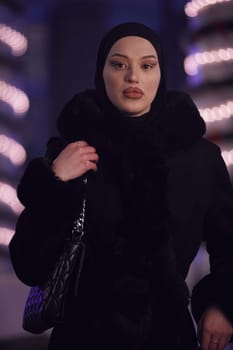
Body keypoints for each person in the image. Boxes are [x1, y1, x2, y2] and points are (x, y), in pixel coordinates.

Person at [9, 22, 233, 350]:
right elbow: (28, 263)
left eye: (146, 65)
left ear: (161, 74)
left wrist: (221, 304)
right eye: (119, 64)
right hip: (82, 337)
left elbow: (229, 246)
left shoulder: (198, 159)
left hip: (168, 337)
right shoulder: (72, 151)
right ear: (102, 72)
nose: (133, 77)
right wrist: (55, 181)